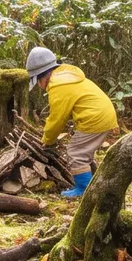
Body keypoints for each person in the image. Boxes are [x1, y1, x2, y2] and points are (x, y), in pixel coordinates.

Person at [27, 45, 117, 197]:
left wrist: (48, 140)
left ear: (43, 76)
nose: (40, 87)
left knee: (76, 153)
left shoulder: (58, 86)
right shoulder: (66, 77)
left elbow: (57, 119)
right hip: (102, 116)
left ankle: (84, 191)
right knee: (84, 153)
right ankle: (95, 185)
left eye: (38, 82)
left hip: (95, 118)